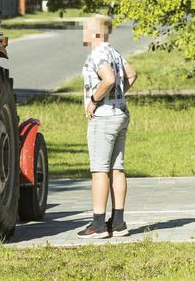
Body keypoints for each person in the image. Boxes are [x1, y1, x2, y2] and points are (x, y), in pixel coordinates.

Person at [77, 15, 137, 239]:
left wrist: (95, 100)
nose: (83, 32)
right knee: (117, 168)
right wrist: (118, 97)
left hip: (103, 118)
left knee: (99, 169)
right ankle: (119, 222)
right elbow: (131, 74)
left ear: (97, 33)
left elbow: (109, 79)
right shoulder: (114, 51)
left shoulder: (99, 52)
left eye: (86, 28)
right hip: (120, 113)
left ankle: (98, 224)